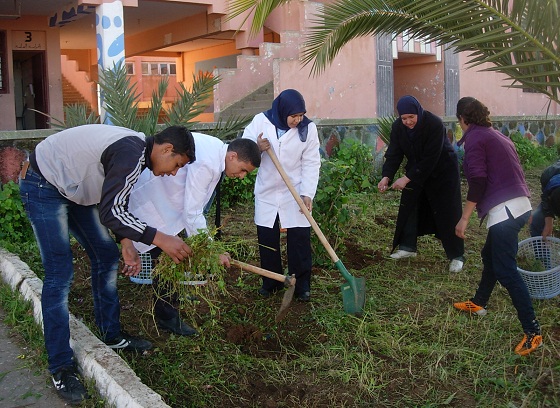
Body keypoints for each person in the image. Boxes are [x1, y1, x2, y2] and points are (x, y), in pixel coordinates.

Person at [18, 124, 196, 404]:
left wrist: (126, 241)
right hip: (44, 184)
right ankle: (61, 367)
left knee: (106, 254)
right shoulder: (131, 152)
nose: (174, 172)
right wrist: (161, 238)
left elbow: (116, 204)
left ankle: (111, 335)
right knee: (60, 274)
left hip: (74, 189)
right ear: (166, 149)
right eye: (177, 164)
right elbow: (112, 211)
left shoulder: (136, 154)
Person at [125, 134, 261, 335]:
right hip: (151, 202)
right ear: (232, 156)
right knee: (164, 258)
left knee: (173, 255)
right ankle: (166, 316)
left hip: (165, 204)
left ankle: (171, 297)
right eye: (243, 170)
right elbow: (192, 211)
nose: (242, 176)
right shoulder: (208, 163)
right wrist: (213, 250)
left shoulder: (216, 152)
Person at [453, 97, 542, 356]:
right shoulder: (494, 135)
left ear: (462, 120)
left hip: (506, 210)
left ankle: (533, 332)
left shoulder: (476, 139)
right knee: (488, 255)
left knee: (506, 270)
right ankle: (478, 303)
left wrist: (465, 218)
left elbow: (478, 181)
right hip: (518, 205)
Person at [242, 89, 321, 301]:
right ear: (282, 110)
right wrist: (256, 147)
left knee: (299, 239)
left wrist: (307, 193)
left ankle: (302, 284)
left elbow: (312, 161)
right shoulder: (261, 121)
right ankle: (272, 281)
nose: (297, 120)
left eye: (300, 115)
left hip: (294, 190)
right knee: (267, 238)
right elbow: (243, 147)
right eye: (293, 116)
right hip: (267, 191)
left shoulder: (308, 129)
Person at [377, 95, 465, 273]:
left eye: (411, 117)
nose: (408, 121)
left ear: (418, 111)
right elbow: (394, 153)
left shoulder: (434, 124)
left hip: (443, 172)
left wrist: (406, 178)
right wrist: (386, 176)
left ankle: (457, 256)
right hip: (417, 170)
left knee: (447, 212)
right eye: (404, 118)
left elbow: (430, 159)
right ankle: (407, 247)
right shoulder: (398, 128)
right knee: (410, 205)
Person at [529, 160, 560, 239]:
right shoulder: (548, 174)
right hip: (551, 192)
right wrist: (548, 216)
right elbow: (545, 196)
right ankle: (543, 250)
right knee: (537, 220)